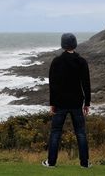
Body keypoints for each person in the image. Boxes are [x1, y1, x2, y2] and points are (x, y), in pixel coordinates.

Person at [42, 33, 91, 168]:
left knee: (56, 132)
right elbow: (86, 84)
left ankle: (51, 162)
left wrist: (52, 103)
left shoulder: (56, 61)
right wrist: (87, 103)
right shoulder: (81, 61)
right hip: (76, 103)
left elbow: (53, 84)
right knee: (80, 132)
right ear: (75, 44)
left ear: (62, 44)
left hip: (60, 103)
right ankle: (85, 163)